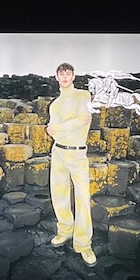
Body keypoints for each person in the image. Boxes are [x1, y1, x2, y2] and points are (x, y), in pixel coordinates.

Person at [47, 62, 95, 264]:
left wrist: (57, 127)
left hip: (77, 154)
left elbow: (83, 119)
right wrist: (66, 127)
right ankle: (65, 229)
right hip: (58, 152)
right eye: (61, 73)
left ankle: (84, 243)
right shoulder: (55, 105)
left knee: (83, 198)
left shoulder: (83, 96)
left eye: (68, 73)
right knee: (59, 194)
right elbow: (56, 131)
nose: (65, 77)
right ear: (56, 77)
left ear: (73, 76)